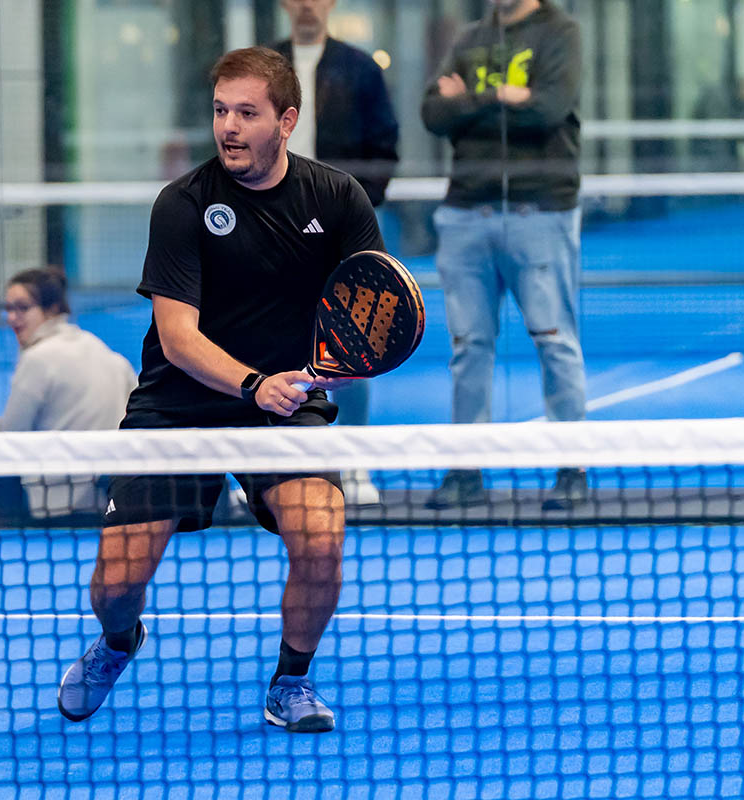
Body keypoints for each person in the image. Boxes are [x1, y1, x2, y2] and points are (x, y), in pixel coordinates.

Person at [56, 46, 385, 732]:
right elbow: (177, 337)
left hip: (285, 403)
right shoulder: (184, 203)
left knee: (322, 541)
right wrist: (252, 384)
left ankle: (291, 681)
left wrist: (337, 367)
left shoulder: (336, 198)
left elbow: (369, 314)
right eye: (219, 111)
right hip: (178, 405)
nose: (228, 127)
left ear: (286, 121)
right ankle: (118, 641)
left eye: (247, 113)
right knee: (115, 585)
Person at [420, 0, 586, 511]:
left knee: (554, 341)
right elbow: (433, 112)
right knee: (468, 347)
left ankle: (572, 469)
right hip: (465, 213)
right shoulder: (470, 37)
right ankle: (465, 470)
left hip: (540, 212)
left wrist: (468, 100)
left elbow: (548, 109)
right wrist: (499, 96)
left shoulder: (561, 33)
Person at [272, 0, 401, 506]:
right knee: (265, 340)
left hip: (337, 230)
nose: (307, 5)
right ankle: (262, 470)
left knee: (352, 343)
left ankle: (354, 462)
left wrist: (352, 209)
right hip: (271, 227)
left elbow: (384, 148)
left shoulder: (360, 69)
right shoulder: (264, 67)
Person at [0, 268, 137, 522]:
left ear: (52, 309)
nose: (12, 318)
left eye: (22, 308)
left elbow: (8, 438)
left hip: (52, 505)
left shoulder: (37, 359)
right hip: (109, 499)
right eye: (8, 309)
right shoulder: (110, 355)